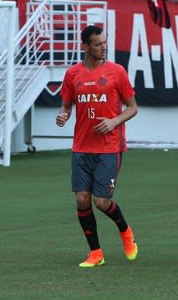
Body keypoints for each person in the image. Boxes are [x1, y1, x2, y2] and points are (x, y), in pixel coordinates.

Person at [56, 25, 140, 267]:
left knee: (101, 202)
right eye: (97, 44)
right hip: (81, 147)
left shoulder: (117, 72)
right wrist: (63, 115)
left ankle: (125, 231)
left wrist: (114, 121)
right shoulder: (73, 74)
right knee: (82, 200)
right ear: (85, 47)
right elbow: (66, 106)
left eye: (104, 43)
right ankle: (96, 253)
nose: (103, 47)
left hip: (109, 147)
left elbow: (133, 107)